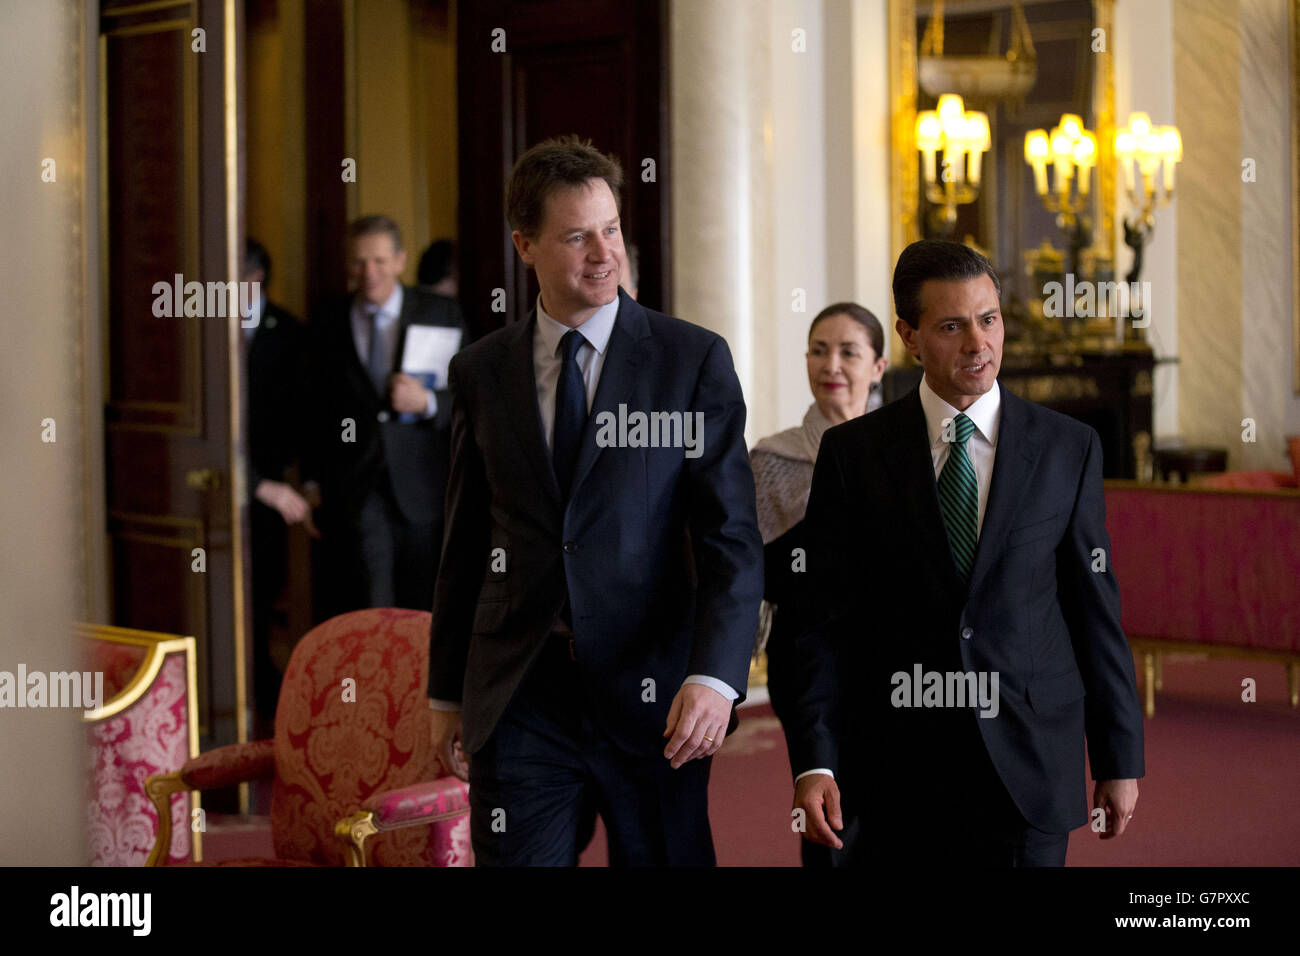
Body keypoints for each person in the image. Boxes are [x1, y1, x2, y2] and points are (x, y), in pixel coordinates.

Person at [426, 135, 763, 866]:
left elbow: (730, 537)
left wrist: (716, 676)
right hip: (522, 696)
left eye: (610, 229)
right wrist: (446, 693)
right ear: (526, 245)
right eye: (577, 236)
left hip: (655, 696)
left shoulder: (691, 360)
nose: (603, 252)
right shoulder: (482, 372)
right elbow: (465, 543)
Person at [785, 239, 1144, 866]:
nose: (979, 344)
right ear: (910, 335)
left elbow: (1094, 613)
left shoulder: (1068, 448)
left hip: (1027, 764)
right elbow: (815, 623)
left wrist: (1118, 757)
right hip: (891, 768)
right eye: (952, 326)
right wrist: (814, 759)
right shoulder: (854, 455)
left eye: (989, 319)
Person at [750, 301, 887, 866]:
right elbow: (753, 573)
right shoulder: (769, 459)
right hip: (809, 663)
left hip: (898, 659)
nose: (831, 364)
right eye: (819, 349)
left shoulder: (905, 450)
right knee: (829, 816)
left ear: (878, 366)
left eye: (849, 352)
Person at [302, 215, 466, 615]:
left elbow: (468, 396)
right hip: (355, 488)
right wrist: (309, 480)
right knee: (370, 611)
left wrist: (427, 401)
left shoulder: (440, 312)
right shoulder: (327, 320)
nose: (368, 272)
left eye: (378, 261)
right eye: (358, 262)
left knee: (424, 611)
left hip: (423, 486)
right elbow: (311, 406)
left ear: (399, 260)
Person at [243, 238, 314, 734]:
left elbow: (310, 418)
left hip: (274, 482)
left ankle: (265, 704)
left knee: (263, 592)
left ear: (259, 279)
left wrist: (308, 482)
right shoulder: (200, 329)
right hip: (222, 484)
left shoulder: (289, 332)